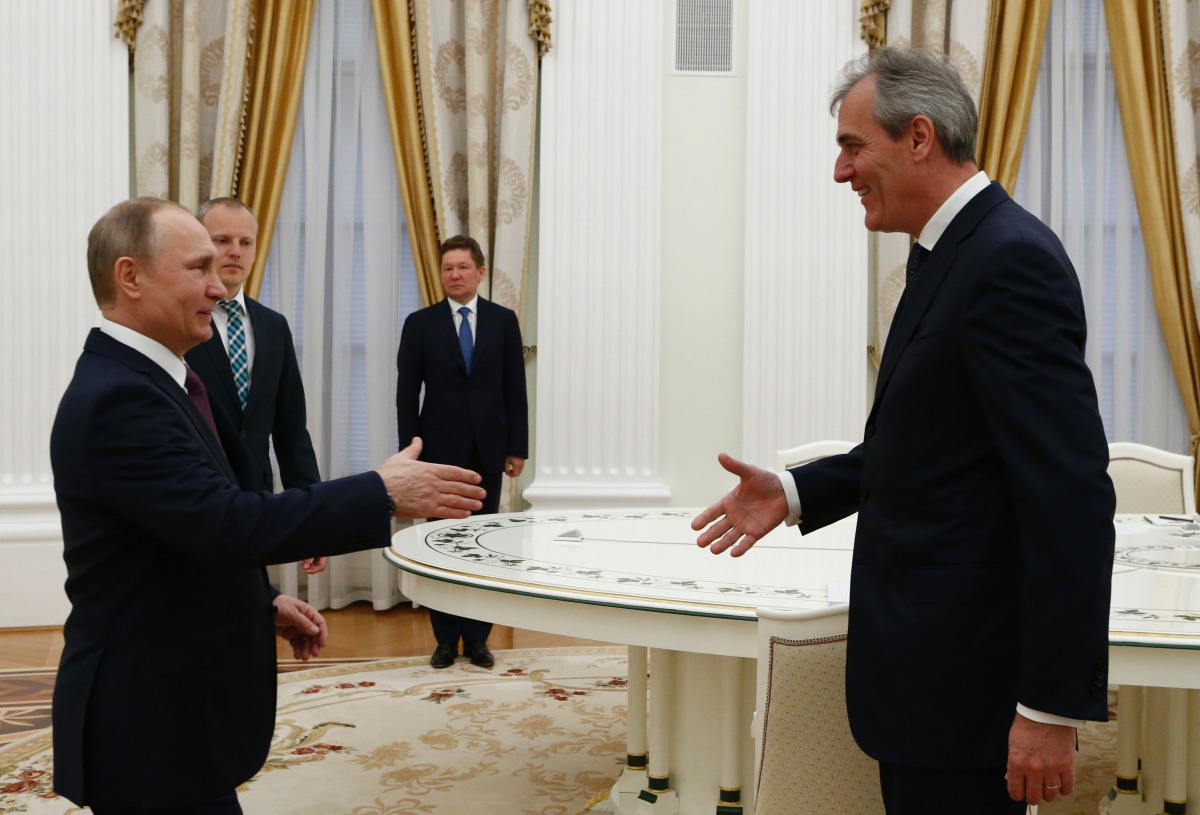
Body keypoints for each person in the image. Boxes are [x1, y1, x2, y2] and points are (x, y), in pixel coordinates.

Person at [692, 47, 1115, 815]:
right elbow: (928, 446)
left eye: (853, 147)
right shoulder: (946, 254)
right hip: (927, 683)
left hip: (968, 689)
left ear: (919, 136)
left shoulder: (1009, 262)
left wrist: (1051, 706)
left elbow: (1071, 496)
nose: (840, 172)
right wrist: (792, 492)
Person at [50, 197, 486, 814]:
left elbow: (181, 534)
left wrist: (257, 602)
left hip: (177, 711)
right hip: (148, 718)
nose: (218, 285)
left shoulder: (152, 379)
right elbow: (227, 523)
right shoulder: (120, 399)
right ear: (131, 276)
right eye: (199, 267)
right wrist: (382, 491)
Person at [396, 235, 529, 670]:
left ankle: (477, 640)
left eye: (462, 267)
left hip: (489, 452)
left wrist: (517, 447)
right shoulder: (420, 323)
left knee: (480, 547)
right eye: (447, 268)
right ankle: (443, 640)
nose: (454, 274)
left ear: (480, 272)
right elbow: (405, 392)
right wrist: (410, 450)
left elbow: (515, 388)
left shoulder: (503, 321)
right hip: (437, 452)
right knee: (440, 544)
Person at [185, 197, 325, 574]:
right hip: (193, 504)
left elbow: (292, 431)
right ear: (200, 245)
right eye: (222, 240)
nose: (235, 252)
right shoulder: (178, 323)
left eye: (245, 242)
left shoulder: (272, 326)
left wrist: (312, 521)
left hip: (256, 504)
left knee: (253, 617)